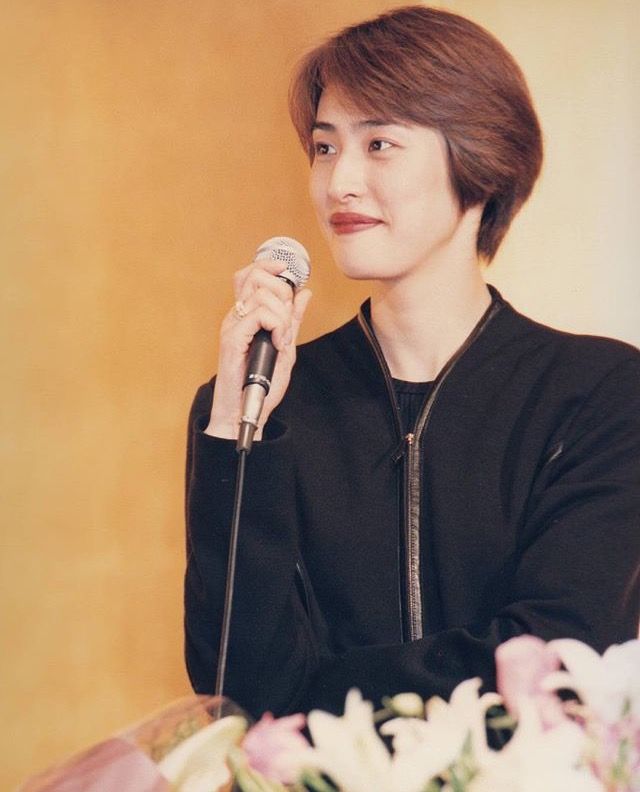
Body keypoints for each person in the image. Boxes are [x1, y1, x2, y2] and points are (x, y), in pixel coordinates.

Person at [184, 5, 640, 718]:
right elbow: (237, 689)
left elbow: (555, 658)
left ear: (481, 161)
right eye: (325, 147)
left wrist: (313, 694)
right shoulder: (260, 405)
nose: (339, 182)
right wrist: (235, 438)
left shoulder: (601, 393)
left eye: (380, 144)